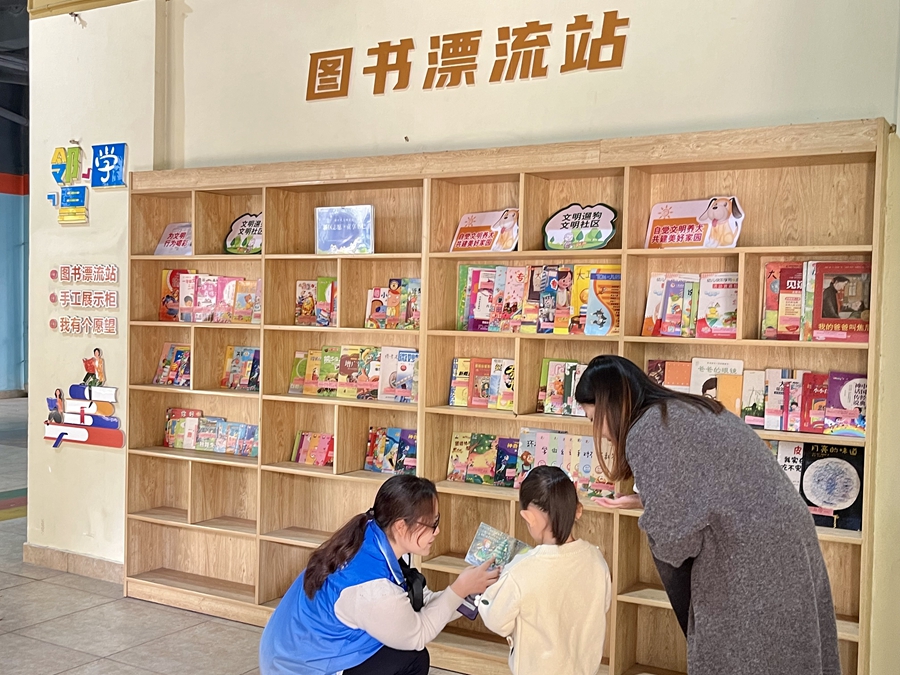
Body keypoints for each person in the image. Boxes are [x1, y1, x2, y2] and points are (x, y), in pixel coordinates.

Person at [573, 355, 841, 675]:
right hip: (785, 544)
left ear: (610, 405)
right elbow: (715, 486)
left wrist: (657, 515)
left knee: (741, 658)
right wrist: (648, 500)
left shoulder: (647, 429)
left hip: (751, 558)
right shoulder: (685, 409)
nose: (600, 432)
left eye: (593, 418)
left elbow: (674, 542)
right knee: (789, 655)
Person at [259, 475, 499, 675]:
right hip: (297, 668)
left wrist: (469, 592)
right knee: (413, 658)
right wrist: (460, 589)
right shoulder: (373, 588)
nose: (437, 531)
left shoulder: (372, 534)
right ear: (401, 526)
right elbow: (418, 633)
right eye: (432, 524)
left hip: (290, 653)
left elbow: (419, 603)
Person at [479, 465, 611, 675]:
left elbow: (496, 620)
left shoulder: (521, 570)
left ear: (528, 517)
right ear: (577, 510)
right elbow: (601, 606)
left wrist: (486, 595)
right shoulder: (597, 560)